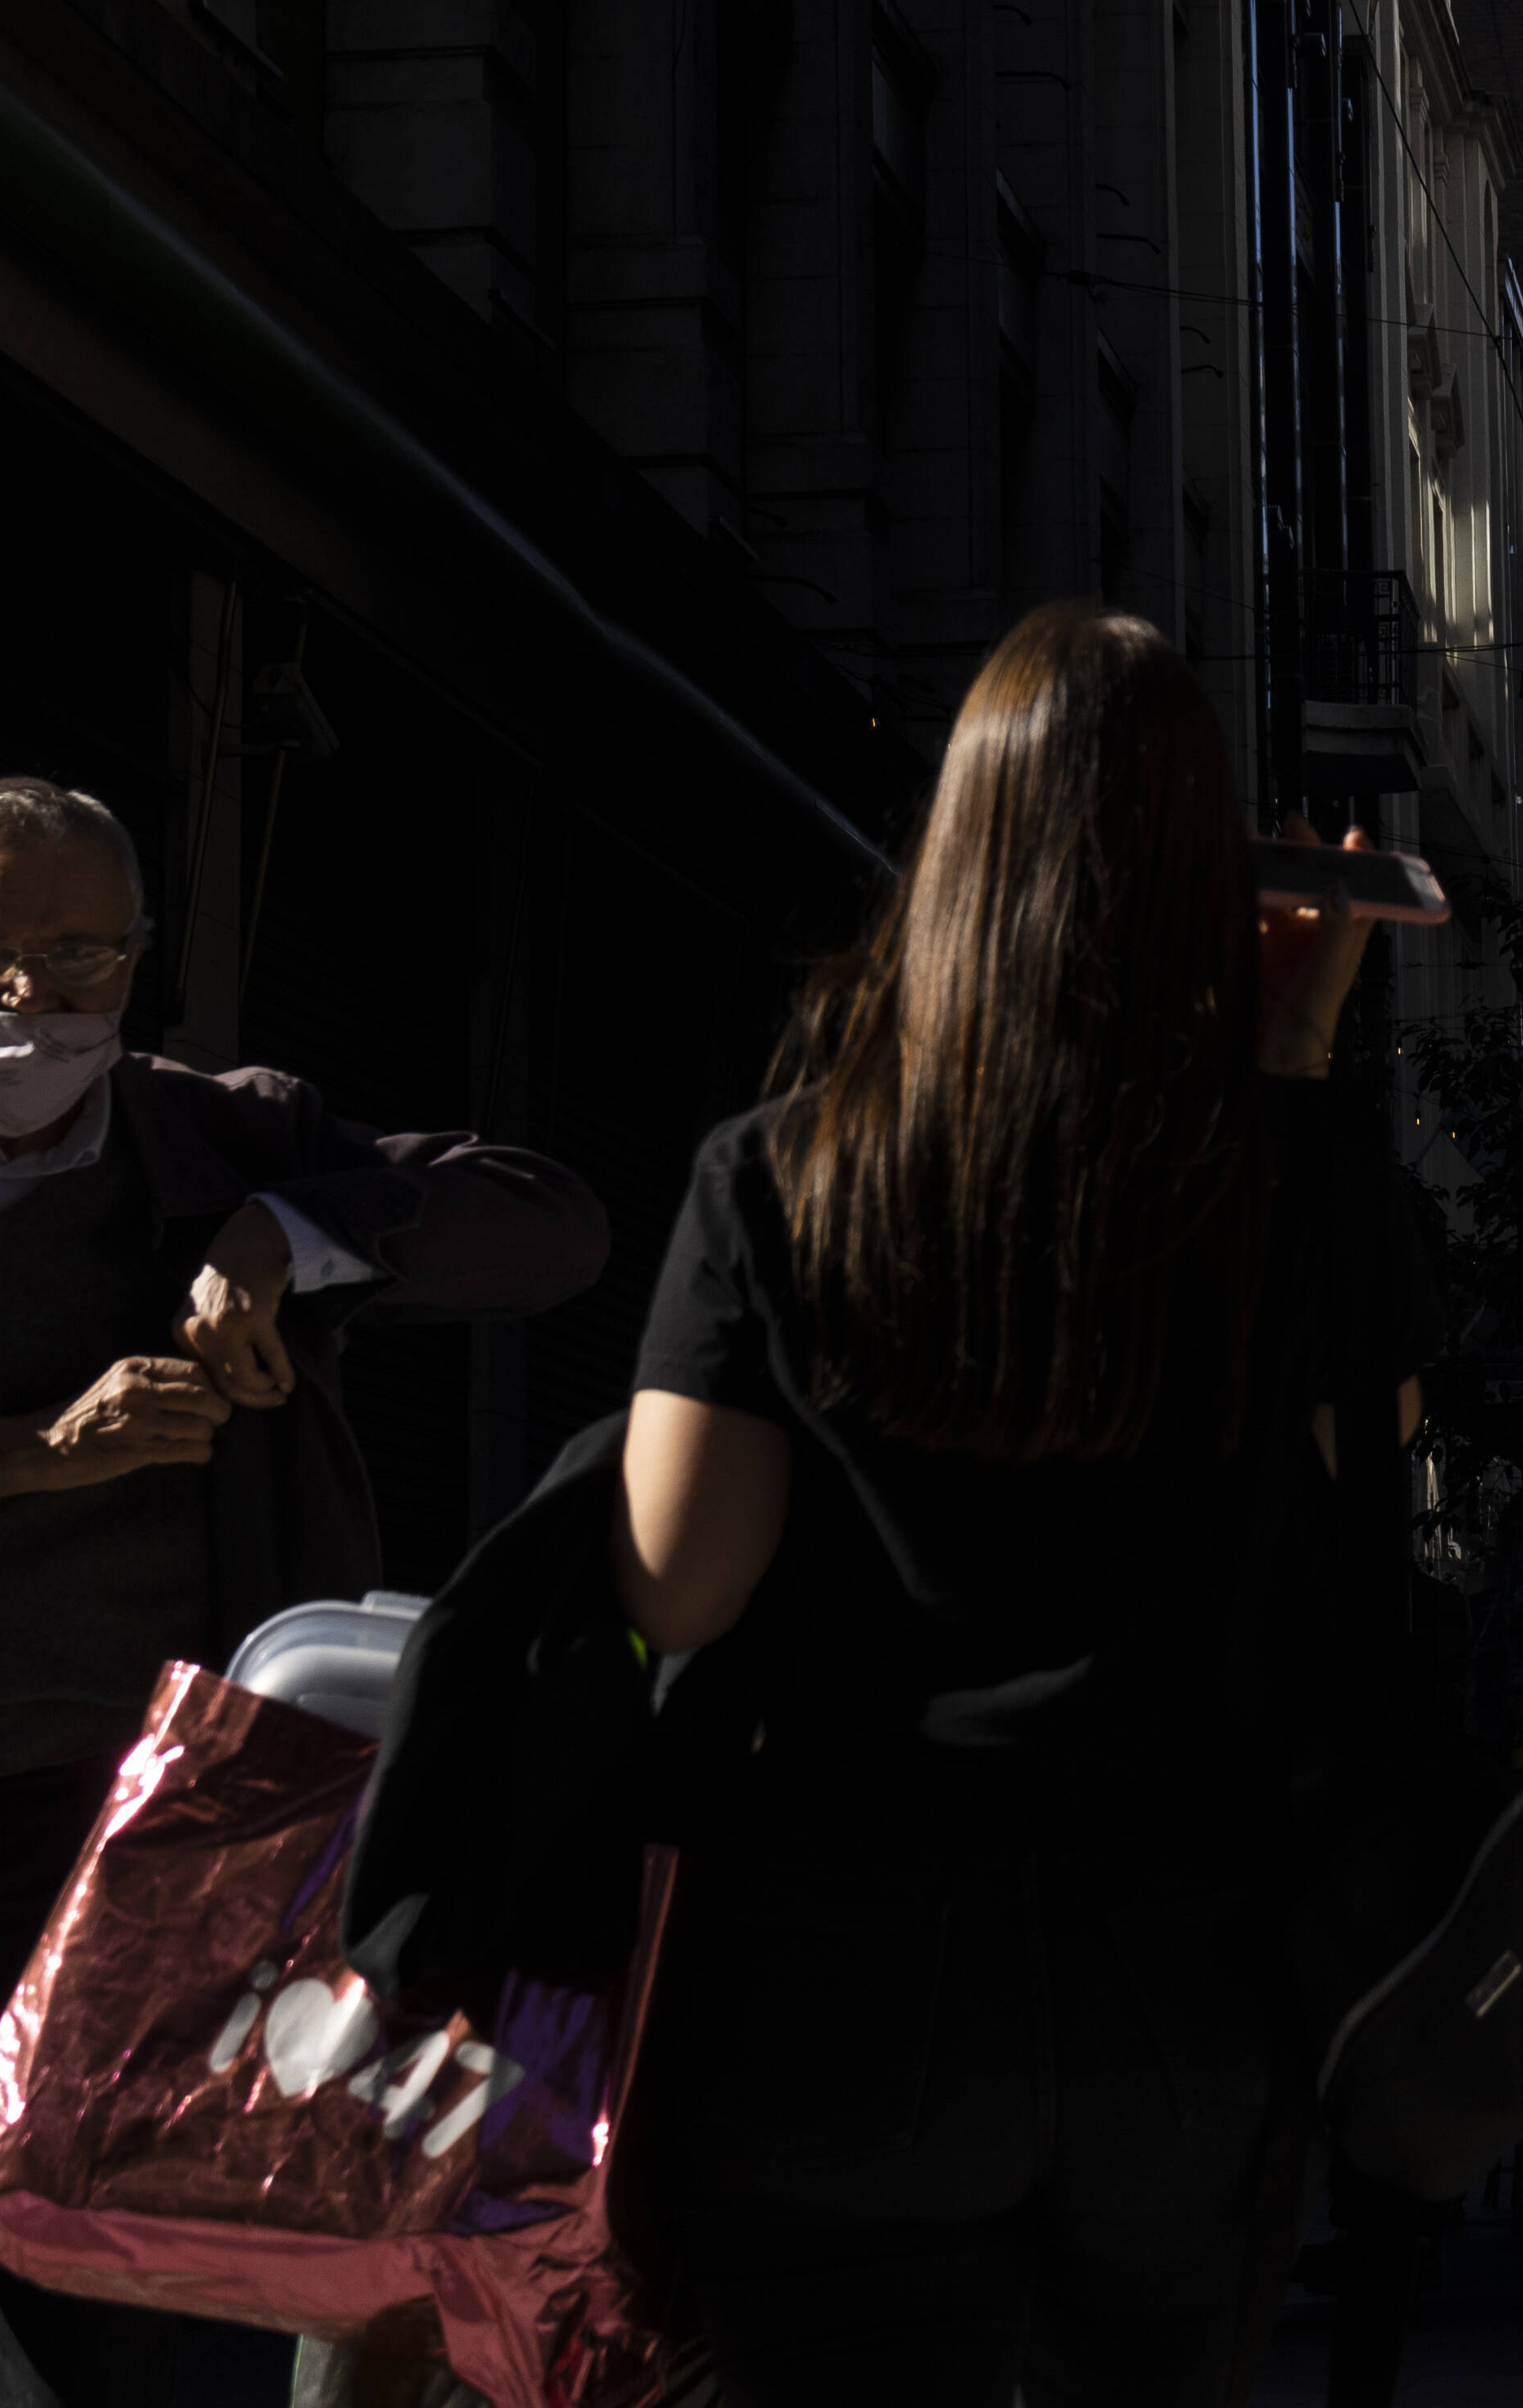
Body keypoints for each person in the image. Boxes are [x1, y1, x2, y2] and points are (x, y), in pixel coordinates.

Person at [0, 773, 607, 2408]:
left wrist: (296, 1230)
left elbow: (552, 1228)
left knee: (99, 2323)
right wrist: (11, 1454)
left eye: (83, 960)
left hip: (125, 1853)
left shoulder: (225, 1131)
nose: (35, 1000)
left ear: (137, 966)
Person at [607, 602, 1434, 2408]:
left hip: (839, 1980)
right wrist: (1286, 1070)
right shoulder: (1301, 1198)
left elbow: (674, 1587)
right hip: (1184, 1992)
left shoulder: (780, 1177)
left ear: (953, 850)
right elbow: (1363, 1519)